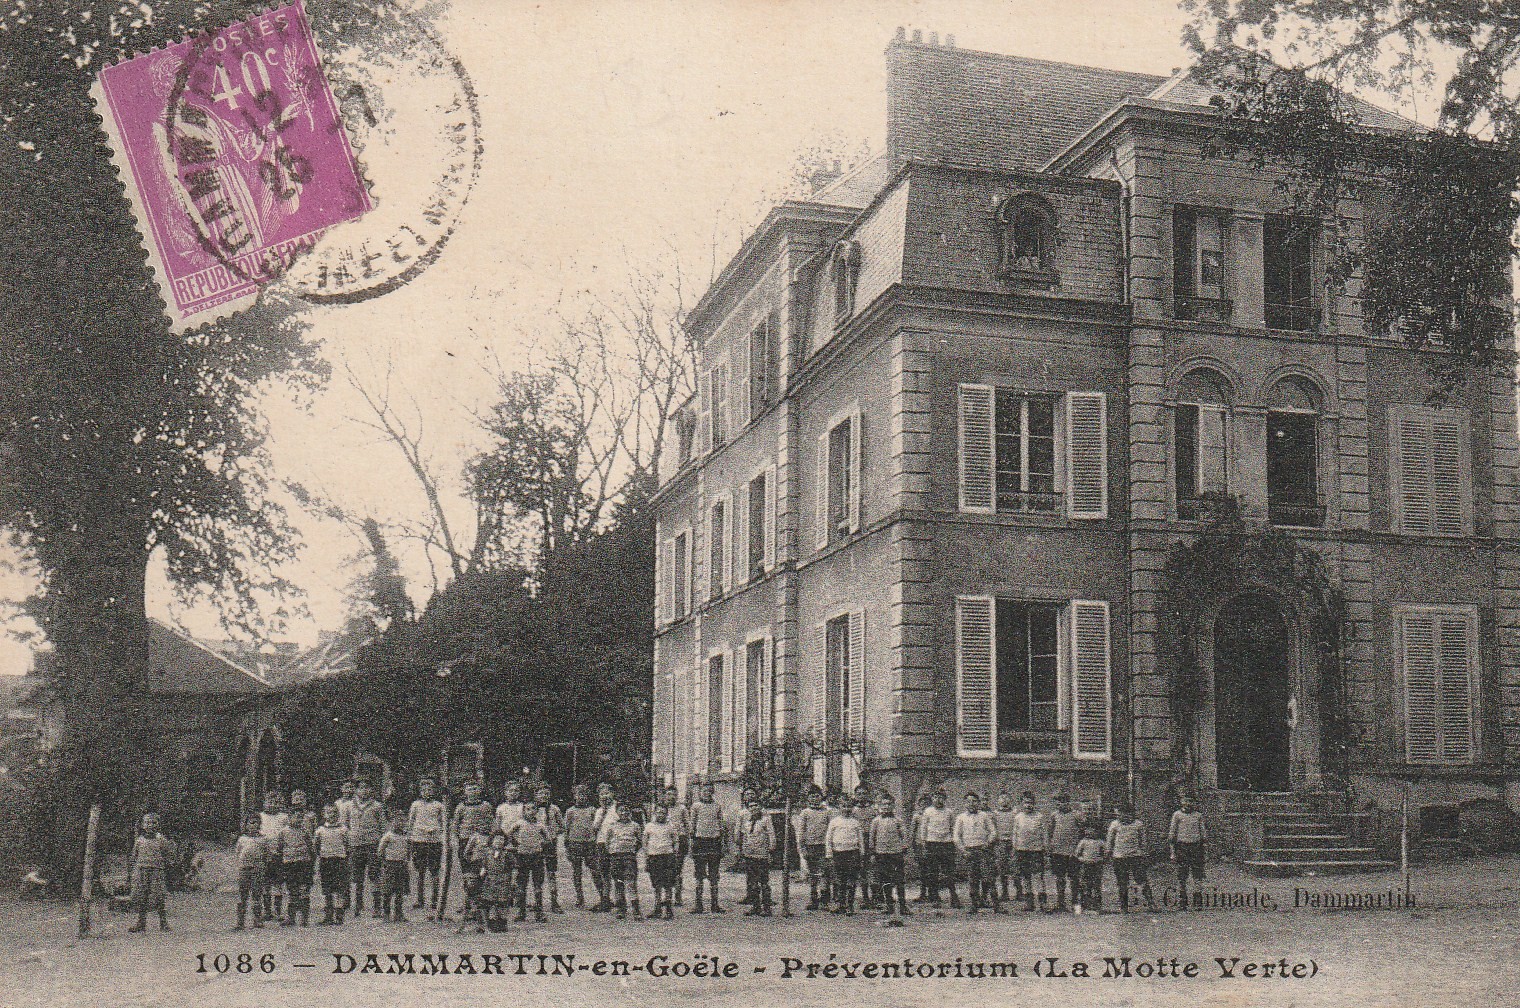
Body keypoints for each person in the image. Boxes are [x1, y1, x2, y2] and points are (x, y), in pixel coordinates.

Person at [452, 781, 495, 926]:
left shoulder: (486, 806)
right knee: (467, 875)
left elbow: (491, 823)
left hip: (481, 843)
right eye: (469, 789)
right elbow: (455, 826)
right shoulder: (461, 807)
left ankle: (481, 904)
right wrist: (458, 840)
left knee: (481, 873)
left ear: (480, 790)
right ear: (465, 792)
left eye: (475, 789)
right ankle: (468, 903)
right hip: (465, 842)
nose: (473, 792)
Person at [954, 791, 1000, 913]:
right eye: (969, 801)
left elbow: (993, 832)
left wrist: (988, 843)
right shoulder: (960, 818)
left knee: (989, 877)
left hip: (983, 849)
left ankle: (996, 905)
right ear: (964, 803)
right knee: (973, 879)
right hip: (969, 851)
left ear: (978, 803)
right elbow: (956, 836)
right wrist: (963, 850)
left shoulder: (984, 815)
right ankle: (974, 905)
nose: (971, 804)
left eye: (974, 801)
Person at [407, 778, 446, 916]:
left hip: (434, 841)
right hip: (418, 840)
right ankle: (419, 899)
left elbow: (443, 823)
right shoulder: (415, 805)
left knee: (434, 871)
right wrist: (409, 838)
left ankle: (435, 899)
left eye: (430, 789)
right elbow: (411, 822)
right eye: (424, 790)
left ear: (434, 791)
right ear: (420, 791)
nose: (427, 792)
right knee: (419, 871)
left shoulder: (439, 805)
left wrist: (439, 835)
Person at [869, 795, 912, 923]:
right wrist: (872, 852)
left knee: (899, 879)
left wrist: (904, 847)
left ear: (893, 806)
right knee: (885, 880)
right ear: (879, 806)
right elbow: (872, 837)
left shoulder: (898, 820)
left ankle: (903, 905)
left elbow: (904, 835)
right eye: (883, 804)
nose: (886, 807)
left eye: (889, 804)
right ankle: (889, 905)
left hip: (895, 853)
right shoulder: (876, 821)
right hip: (881, 853)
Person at [347, 779, 386, 919]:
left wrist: (382, 845)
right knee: (357, 876)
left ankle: (377, 906)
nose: (364, 791)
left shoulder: (377, 806)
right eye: (361, 788)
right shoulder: (350, 806)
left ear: (372, 790)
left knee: (374, 875)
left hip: (372, 844)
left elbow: (383, 827)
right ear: (356, 790)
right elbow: (346, 825)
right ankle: (358, 905)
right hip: (355, 845)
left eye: (367, 788)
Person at [507, 803, 551, 922]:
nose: (531, 811)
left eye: (533, 809)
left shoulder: (540, 825)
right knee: (521, 886)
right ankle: (521, 912)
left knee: (538, 886)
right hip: (522, 857)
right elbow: (508, 833)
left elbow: (548, 838)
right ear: (524, 811)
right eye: (528, 809)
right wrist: (516, 844)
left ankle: (539, 913)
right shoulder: (519, 823)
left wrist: (541, 845)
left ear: (537, 811)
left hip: (536, 857)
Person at [128, 812, 172, 933]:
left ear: (158, 825)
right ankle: (141, 923)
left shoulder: (161, 840)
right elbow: (134, 856)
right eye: (147, 822)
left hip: (156, 870)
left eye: (153, 822)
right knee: (142, 895)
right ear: (142, 825)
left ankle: (163, 922)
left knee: (158, 896)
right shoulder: (139, 840)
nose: (150, 825)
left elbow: (167, 855)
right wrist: (134, 870)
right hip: (142, 870)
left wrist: (163, 866)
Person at [1107, 806, 1156, 913]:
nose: (1122, 816)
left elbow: (1143, 841)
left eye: (1126, 814)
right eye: (1120, 814)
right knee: (1122, 882)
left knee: (1141, 880)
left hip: (1135, 857)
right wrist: (1108, 853)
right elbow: (1110, 840)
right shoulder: (1114, 824)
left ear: (1131, 814)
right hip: (1119, 857)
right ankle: (1124, 906)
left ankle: (1151, 903)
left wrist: (1144, 854)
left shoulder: (1138, 824)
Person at [688, 782, 725, 914]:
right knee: (699, 875)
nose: (707, 793)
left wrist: (722, 842)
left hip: (714, 842)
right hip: (700, 842)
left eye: (709, 791)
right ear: (700, 792)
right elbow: (692, 826)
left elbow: (721, 825)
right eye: (704, 791)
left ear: (712, 792)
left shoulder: (717, 806)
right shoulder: (696, 806)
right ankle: (698, 905)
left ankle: (715, 904)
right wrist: (692, 844)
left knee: (714, 875)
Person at [824, 798, 866, 915]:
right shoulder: (834, 822)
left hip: (853, 852)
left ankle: (850, 905)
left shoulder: (855, 822)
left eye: (849, 807)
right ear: (839, 807)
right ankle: (841, 904)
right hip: (838, 853)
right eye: (844, 806)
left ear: (852, 808)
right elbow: (828, 838)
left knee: (851, 879)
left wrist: (861, 853)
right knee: (840, 880)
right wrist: (829, 853)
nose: (846, 809)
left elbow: (861, 839)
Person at [275, 804, 315, 927]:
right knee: (292, 891)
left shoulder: (305, 831)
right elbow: (279, 848)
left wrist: (311, 864)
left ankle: (304, 918)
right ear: (289, 817)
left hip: (303, 863)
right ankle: (291, 917)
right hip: (289, 864)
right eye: (297, 817)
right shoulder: (283, 832)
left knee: (304, 890)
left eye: (301, 818)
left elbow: (311, 848)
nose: (299, 820)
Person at [794, 788, 832, 911]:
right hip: (810, 846)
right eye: (812, 796)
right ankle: (813, 899)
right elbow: (801, 831)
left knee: (824, 873)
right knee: (813, 874)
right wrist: (802, 847)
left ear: (821, 797)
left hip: (824, 846)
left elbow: (830, 830)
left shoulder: (827, 812)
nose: (814, 799)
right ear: (808, 798)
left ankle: (825, 900)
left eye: (817, 796)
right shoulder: (805, 812)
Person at [1010, 791, 1049, 911]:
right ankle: (1029, 903)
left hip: (1036, 850)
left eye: (1030, 803)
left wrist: (1046, 849)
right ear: (1022, 803)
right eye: (1026, 803)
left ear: (1034, 804)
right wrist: (1015, 848)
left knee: (1038, 876)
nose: (1028, 805)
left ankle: (1043, 903)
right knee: (1025, 876)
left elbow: (1045, 834)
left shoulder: (1039, 817)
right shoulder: (1018, 817)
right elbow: (1015, 835)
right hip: (1022, 850)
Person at [561, 784, 599, 909]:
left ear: (587, 796)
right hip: (575, 843)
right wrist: (567, 845)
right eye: (578, 794)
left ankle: (603, 896)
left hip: (589, 843)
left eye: (583, 794)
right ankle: (580, 898)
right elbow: (566, 829)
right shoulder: (570, 811)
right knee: (577, 871)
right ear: (574, 796)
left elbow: (596, 827)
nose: (581, 797)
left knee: (595, 870)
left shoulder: (592, 810)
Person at [1168, 793, 1208, 911]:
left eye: (1191, 801)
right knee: (1182, 876)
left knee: (1198, 875)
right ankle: (1182, 901)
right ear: (1181, 801)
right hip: (1182, 847)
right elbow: (1172, 835)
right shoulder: (1177, 815)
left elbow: (1203, 835)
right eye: (1185, 800)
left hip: (1196, 847)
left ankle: (1198, 901)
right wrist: (1172, 852)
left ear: (1194, 803)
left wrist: (1205, 852)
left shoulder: (1198, 816)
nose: (1188, 803)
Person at [605, 804, 643, 921]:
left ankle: (635, 909)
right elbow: (607, 842)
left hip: (629, 857)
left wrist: (632, 851)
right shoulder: (612, 826)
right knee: (618, 882)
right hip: (616, 857)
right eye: (621, 811)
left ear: (630, 812)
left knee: (631, 882)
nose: (624, 813)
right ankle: (621, 908)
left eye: (626, 810)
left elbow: (640, 842)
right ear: (617, 812)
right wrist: (613, 852)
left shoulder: (635, 826)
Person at [314, 803, 351, 925]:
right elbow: (317, 846)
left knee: (340, 889)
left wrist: (345, 858)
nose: (332, 815)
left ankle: (339, 915)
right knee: (327, 889)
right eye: (329, 813)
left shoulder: (343, 829)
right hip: (326, 861)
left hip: (339, 860)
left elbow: (347, 845)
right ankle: (328, 915)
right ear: (324, 815)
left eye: (335, 813)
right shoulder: (320, 830)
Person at [920, 790, 957, 909]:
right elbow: (924, 828)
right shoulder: (928, 811)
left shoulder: (949, 812)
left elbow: (952, 827)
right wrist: (924, 842)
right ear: (932, 798)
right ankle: (935, 897)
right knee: (933, 872)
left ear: (944, 799)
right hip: (932, 843)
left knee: (948, 871)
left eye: (941, 797)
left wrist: (953, 841)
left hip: (946, 843)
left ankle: (953, 896)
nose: (938, 800)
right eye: (935, 797)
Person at [643, 803, 680, 919]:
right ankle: (657, 908)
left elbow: (676, 841)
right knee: (657, 884)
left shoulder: (670, 826)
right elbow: (644, 841)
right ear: (654, 813)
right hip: (654, 856)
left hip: (667, 856)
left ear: (667, 814)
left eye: (663, 812)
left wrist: (675, 852)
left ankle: (669, 909)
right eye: (658, 812)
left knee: (668, 883)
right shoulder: (649, 826)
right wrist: (646, 855)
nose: (661, 815)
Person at [1048, 793, 1084, 913]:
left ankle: (1075, 902)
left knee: (1074, 878)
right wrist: (1050, 846)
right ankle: (1061, 903)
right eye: (1058, 802)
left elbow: (1082, 830)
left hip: (1073, 852)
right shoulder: (1054, 815)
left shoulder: (1076, 815)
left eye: (1063, 802)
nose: (1060, 804)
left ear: (1068, 803)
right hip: (1058, 851)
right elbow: (1050, 831)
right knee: (1060, 878)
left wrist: (1080, 848)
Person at [739, 801, 776, 916]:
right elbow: (745, 837)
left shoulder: (766, 820)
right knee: (753, 882)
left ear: (760, 807)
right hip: (750, 854)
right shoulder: (747, 822)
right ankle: (756, 906)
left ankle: (767, 907)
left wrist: (770, 851)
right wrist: (743, 851)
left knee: (764, 881)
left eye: (756, 805)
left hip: (762, 854)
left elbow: (771, 836)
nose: (753, 808)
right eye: (750, 806)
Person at [234, 815, 269, 930]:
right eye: (250, 823)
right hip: (244, 869)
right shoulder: (242, 839)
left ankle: (257, 920)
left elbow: (266, 854)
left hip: (257, 869)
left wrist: (261, 866)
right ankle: (240, 921)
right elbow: (238, 853)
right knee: (242, 895)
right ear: (246, 825)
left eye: (255, 823)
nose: (253, 825)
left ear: (259, 825)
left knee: (257, 895)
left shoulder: (263, 839)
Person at [258, 791, 289, 921]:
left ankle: (277, 910)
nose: (272, 805)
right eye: (269, 802)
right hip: (263, 854)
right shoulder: (260, 816)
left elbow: (287, 834)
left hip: (278, 854)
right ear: (264, 803)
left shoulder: (284, 817)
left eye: (276, 802)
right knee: (265, 883)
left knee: (278, 883)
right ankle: (267, 910)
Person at [534, 786, 566, 914]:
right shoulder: (532, 809)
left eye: (546, 794)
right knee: (538, 874)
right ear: (536, 795)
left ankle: (554, 901)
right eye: (541, 794)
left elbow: (562, 827)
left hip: (550, 844)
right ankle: (538, 903)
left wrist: (552, 833)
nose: (544, 796)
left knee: (551, 873)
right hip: (536, 844)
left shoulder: (554, 809)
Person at [590, 783, 620, 912]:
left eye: (607, 793)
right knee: (604, 872)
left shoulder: (618, 808)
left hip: (615, 844)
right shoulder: (598, 811)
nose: (604, 796)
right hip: (601, 843)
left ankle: (620, 900)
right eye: (601, 794)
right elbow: (595, 828)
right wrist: (601, 814)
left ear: (612, 794)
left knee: (617, 873)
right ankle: (606, 899)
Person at [478, 832, 516, 933]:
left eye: (501, 839)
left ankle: (502, 923)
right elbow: (484, 866)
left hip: (503, 880)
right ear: (492, 841)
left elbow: (514, 869)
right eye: (497, 839)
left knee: (502, 902)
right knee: (488, 901)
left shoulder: (508, 854)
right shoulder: (487, 853)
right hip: (490, 880)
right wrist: (481, 874)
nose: (499, 842)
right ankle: (489, 923)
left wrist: (512, 880)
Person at [377, 815, 412, 921]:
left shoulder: (406, 836)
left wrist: (406, 860)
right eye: (397, 821)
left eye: (402, 822)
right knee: (387, 890)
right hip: (390, 864)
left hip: (402, 865)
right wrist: (385, 862)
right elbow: (380, 850)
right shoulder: (388, 836)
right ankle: (386, 914)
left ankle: (399, 914)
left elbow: (409, 849)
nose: (400, 824)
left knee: (400, 890)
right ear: (392, 823)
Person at [664, 786, 689, 907]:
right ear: (665, 796)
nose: (671, 797)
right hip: (664, 841)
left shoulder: (682, 808)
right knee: (665, 869)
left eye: (674, 794)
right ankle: (666, 896)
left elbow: (687, 825)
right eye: (669, 794)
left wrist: (686, 840)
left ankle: (678, 896)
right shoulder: (661, 808)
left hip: (680, 840)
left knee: (677, 869)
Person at [1073, 826, 1107, 914]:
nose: (1091, 832)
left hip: (1097, 865)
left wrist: (1101, 859)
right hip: (1085, 865)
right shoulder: (1083, 842)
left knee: (1096, 885)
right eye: (1088, 830)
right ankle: (1085, 906)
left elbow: (1105, 854)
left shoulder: (1101, 842)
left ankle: (1097, 906)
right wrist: (1082, 859)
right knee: (1085, 885)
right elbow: (1077, 853)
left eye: (1094, 830)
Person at [992, 793, 1017, 903]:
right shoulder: (995, 814)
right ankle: (1005, 891)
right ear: (998, 800)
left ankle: (1019, 891)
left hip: (1013, 842)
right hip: (1000, 843)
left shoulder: (1015, 813)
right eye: (1001, 798)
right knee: (1002, 868)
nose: (1004, 800)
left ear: (1010, 800)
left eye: (1006, 797)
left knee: (1015, 867)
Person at [910, 792, 933, 902]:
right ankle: (923, 893)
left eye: (927, 804)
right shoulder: (917, 816)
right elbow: (912, 832)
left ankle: (933, 893)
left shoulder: (933, 814)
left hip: (931, 843)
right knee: (922, 870)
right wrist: (912, 845)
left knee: (932, 870)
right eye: (922, 803)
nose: (924, 806)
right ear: (919, 805)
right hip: (920, 845)